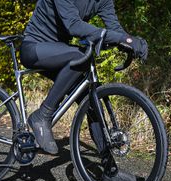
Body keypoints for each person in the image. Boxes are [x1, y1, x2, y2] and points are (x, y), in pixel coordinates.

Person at [20, 0, 148, 155]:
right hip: (34, 47)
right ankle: (42, 115)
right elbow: (73, 25)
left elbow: (114, 29)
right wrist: (122, 39)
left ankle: (109, 170)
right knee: (79, 56)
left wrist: (130, 42)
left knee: (92, 103)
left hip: (60, 52)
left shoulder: (103, 1)